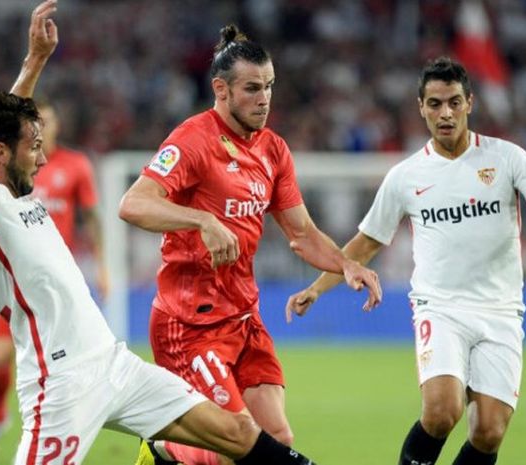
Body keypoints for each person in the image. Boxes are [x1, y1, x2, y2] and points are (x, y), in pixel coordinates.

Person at [0, 2, 319, 465]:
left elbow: (4, 126)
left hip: (112, 363)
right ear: (1, 154)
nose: (41, 158)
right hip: (61, 383)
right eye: (32, 149)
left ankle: (161, 454)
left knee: (238, 432)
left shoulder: (13, 189)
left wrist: (34, 61)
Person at [119, 24, 382, 465]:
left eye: (270, 87)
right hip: (189, 324)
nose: (264, 99)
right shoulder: (193, 140)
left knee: (276, 434)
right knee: (235, 445)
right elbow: (133, 204)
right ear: (221, 89)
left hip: (243, 318)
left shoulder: (273, 150)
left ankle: (167, 448)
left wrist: (345, 264)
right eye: (252, 89)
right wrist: (202, 219)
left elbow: (302, 234)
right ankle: (162, 448)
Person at [285, 57, 526, 465]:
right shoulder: (406, 176)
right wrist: (316, 287)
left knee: (488, 432)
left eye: (452, 102)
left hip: (501, 309)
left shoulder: (507, 158)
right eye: (434, 104)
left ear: (469, 103)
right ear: (420, 107)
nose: (444, 113)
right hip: (441, 307)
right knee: (441, 411)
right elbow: (364, 245)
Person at [0, 97, 109, 461]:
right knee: (0, 357)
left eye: (47, 121)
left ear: (56, 126)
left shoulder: (76, 166)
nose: (41, 131)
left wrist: (104, 266)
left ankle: (65, 430)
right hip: (15, 279)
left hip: (57, 285)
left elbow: (93, 219)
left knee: (68, 363)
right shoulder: (14, 170)